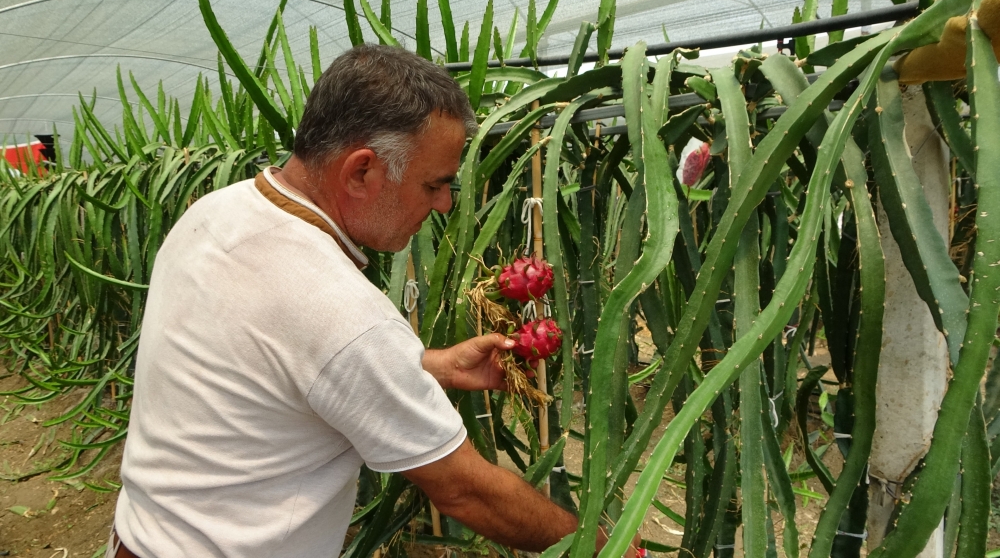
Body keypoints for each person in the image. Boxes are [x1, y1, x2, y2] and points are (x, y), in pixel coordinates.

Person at [107, 44, 635, 558]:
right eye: (435, 184)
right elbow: (464, 491)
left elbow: (276, 363)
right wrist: (598, 541)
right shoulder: (337, 308)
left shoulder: (213, 214)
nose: (445, 203)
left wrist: (430, 366)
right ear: (362, 172)